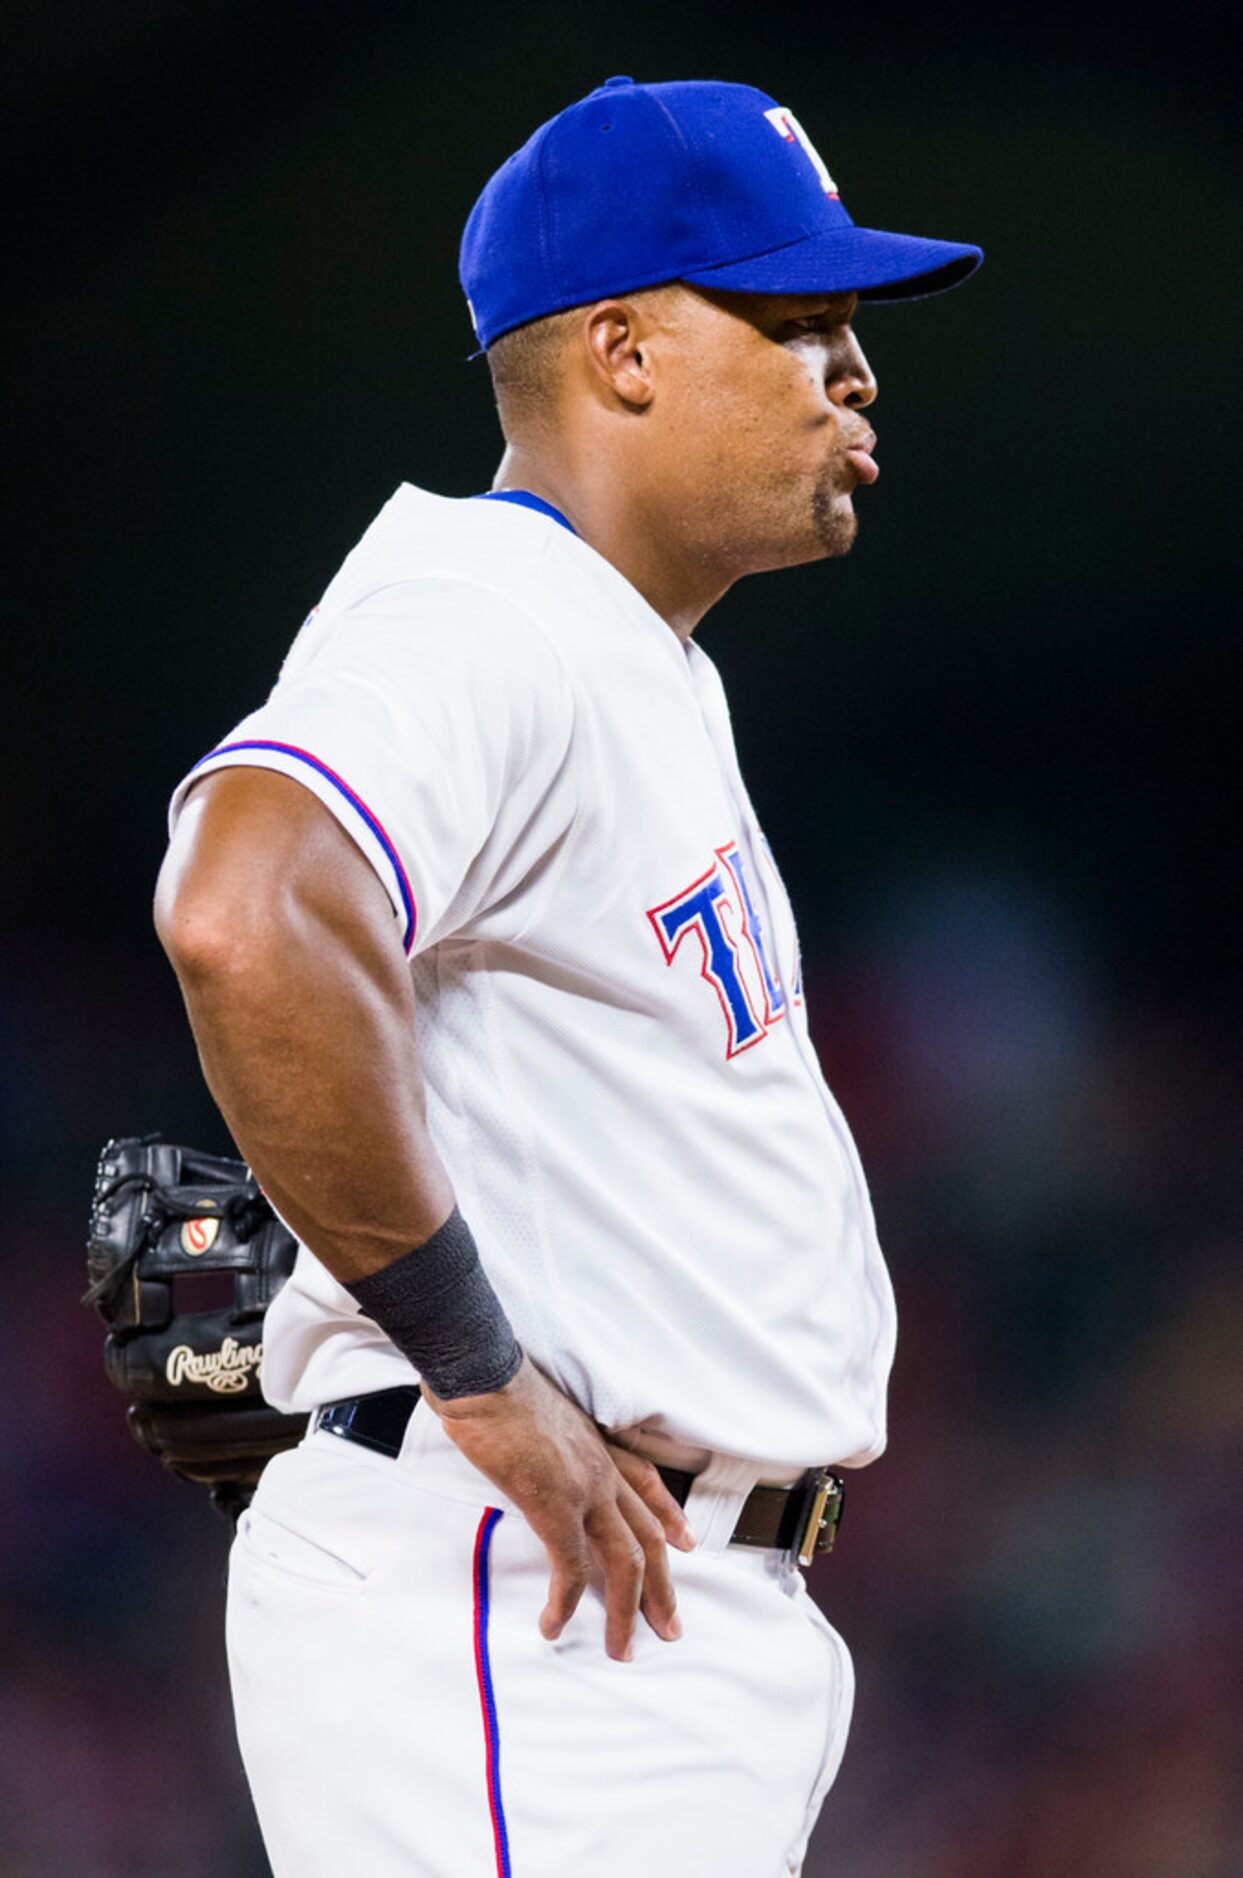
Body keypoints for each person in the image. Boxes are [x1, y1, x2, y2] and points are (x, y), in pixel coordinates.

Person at [155, 76, 981, 1878]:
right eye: (798, 316)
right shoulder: (488, 612)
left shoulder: (628, 657)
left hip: (622, 1617)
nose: (854, 368)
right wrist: (468, 1356)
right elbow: (244, 905)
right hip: (525, 1597)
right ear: (621, 352)